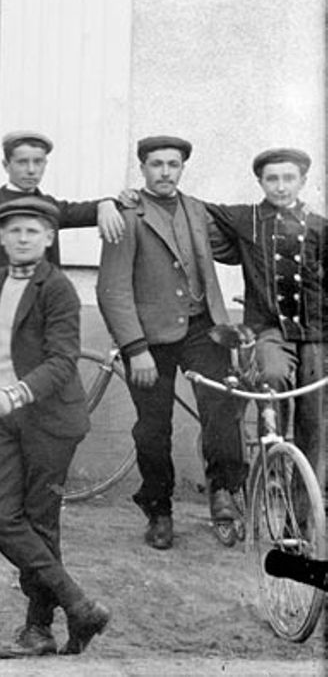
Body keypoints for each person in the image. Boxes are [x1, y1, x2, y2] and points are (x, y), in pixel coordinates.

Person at [0, 195, 110, 658]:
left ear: (49, 238)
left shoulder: (57, 289)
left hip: (50, 422)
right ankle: (77, 605)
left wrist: (14, 393)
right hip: (6, 417)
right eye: (13, 230)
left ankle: (39, 629)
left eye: (32, 231)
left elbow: (61, 360)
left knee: (39, 523)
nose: (21, 238)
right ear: (1, 237)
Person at [95, 135, 244, 551]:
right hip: (150, 339)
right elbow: (112, 290)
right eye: (156, 164)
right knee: (153, 429)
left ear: (182, 168)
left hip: (204, 329)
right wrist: (134, 347)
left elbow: (236, 247)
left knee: (222, 412)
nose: (165, 172)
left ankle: (224, 493)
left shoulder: (197, 209)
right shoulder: (127, 213)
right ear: (142, 168)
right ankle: (159, 509)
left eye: (172, 165)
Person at [204, 148, 327, 483]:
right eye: (272, 179)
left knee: (313, 420)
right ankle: (270, 484)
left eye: (289, 178)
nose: (281, 186)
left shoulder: (319, 226)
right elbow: (192, 210)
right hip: (269, 330)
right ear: (260, 181)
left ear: (303, 181)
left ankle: (302, 519)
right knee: (271, 380)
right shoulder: (248, 219)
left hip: (316, 334)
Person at [0, 131, 123, 333]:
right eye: (22, 162)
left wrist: (107, 204)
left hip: (41, 319)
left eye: (38, 162)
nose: (31, 170)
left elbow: (84, 211)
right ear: (6, 165)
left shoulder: (49, 207)